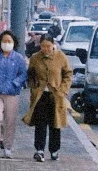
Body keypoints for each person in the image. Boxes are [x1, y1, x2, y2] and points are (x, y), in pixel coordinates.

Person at [23, 33, 70, 163]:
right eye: (43, 46)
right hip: (40, 96)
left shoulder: (61, 57)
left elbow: (68, 74)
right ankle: (39, 150)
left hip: (56, 95)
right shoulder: (35, 58)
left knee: (55, 123)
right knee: (41, 124)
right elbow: (30, 75)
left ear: (53, 45)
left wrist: (63, 90)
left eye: (48, 46)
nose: (46, 49)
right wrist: (34, 87)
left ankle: (54, 150)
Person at [0, 30, 28, 159]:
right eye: (4, 41)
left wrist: (15, 83)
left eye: (9, 41)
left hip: (12, 94)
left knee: (10, 121)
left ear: (14, 43)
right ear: (0, 42)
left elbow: (23, 74)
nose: (6, 43)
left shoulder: (18, 58)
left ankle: (8, 147)